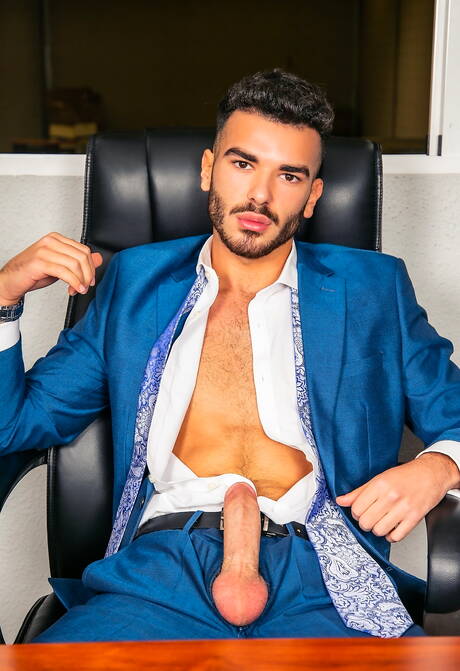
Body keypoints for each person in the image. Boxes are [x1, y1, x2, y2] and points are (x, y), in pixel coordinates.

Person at [0, 70, 459, 641]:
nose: (260, 196)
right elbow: (14, 424)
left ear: (313, 195)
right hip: (162, 568)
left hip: (323, 571)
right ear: (207, 169)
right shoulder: (135, 284)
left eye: (288, 175)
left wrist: (438, 467)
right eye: (243, 164)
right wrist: (4, 296)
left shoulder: (373, 288)